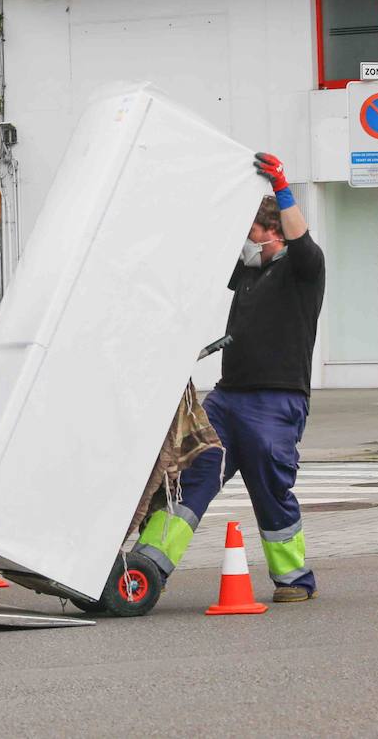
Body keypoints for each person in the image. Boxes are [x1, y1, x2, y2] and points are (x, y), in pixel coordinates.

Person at [134, 152, 324, 602]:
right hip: (227, 398)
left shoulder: (303, 271)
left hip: (275, 403)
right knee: (188, 477)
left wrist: (281, 187)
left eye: (251, 234)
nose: (244, 244)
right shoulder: (249, 272)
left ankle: (294, 581)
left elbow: (303, 243)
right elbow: (207, 247)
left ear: (273, 233)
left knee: (270, 491)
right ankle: (146, 566)